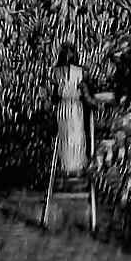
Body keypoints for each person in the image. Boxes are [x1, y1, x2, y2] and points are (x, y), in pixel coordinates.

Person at [52, 44, 96, 178]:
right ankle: (75, 167)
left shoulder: (56, 72)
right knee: (75, 136)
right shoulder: (80, 72)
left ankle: (66, 167)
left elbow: (54, 96)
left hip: (63, 108)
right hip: (74, 107)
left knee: (66, 137)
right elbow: (85, 93)